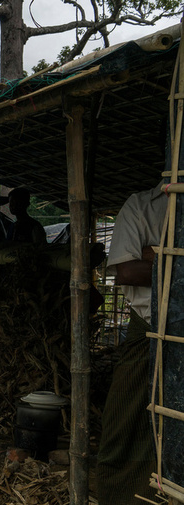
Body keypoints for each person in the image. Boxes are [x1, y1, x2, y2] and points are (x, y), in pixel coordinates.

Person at [98, 182, 166, 505]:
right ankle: (124, 497)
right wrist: (174, 259)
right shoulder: (140, 206)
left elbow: (142, 264)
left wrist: (156, 255)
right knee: (125, 424)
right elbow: (126, 270)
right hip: (147, 330)